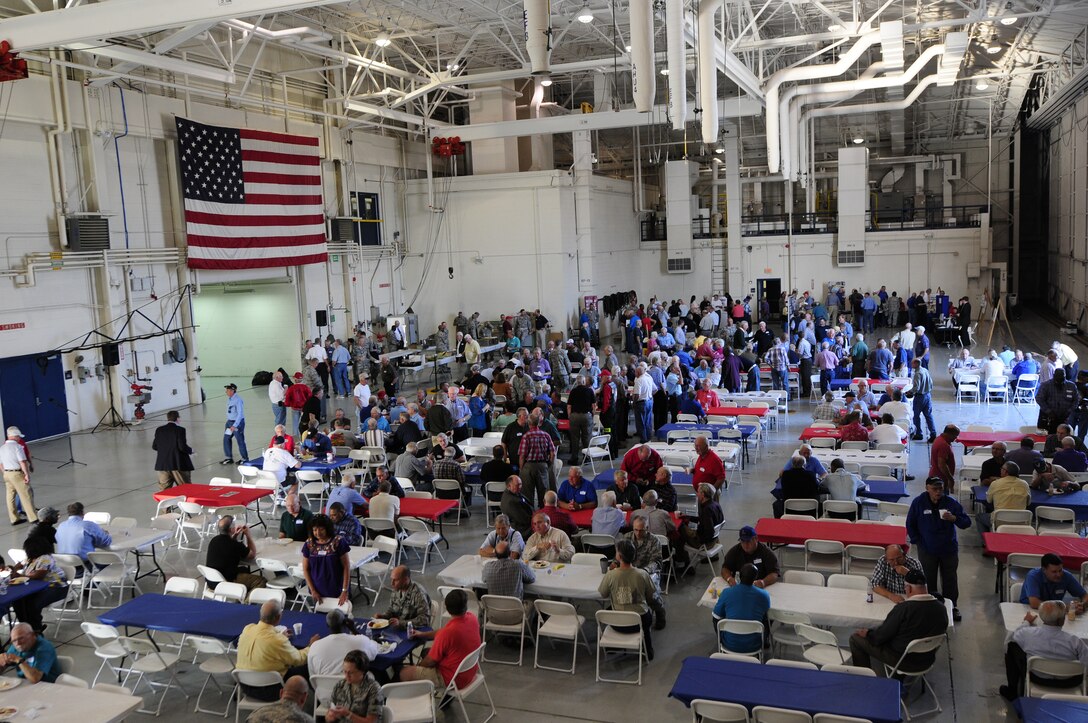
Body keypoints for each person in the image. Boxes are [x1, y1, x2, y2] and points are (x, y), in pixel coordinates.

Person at [848, 570, 949, 674]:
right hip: (927, 659)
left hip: (903, 661)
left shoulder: (903, 609)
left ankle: (863, 678)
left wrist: (868, 634)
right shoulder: (942, 608)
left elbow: (880, 637)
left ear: (908, 588)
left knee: (856, 639)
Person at [906, 478, 971, 621]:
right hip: (927, 549)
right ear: (927, 488)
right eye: (934, 489)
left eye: (940, 488)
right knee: (928, 579)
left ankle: (951, 607)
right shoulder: (918, 502)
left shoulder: (950, 502)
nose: (938, 492)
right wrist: (918, 542)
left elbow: (967, 522)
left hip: (948, 549)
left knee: (950, 579)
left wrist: (954, 518)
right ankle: (930, 606)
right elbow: (910, 523)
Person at [1000, 600, 1088, 701]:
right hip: (1070, 681)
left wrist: (1027, 622)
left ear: (1042, 618)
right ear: (1062, 620)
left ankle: (1012, 690)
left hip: (1038, 678)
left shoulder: (1028, 634)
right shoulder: (1075, 641)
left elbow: (1015, 635)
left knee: (1012, 645)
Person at [237, 601, 320, 701]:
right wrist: (311, 646)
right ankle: (318, 703)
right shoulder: (277, 641)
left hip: (245, 686)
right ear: (278, 616)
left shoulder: (248, 629)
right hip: (269, 690)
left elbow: (264, 633)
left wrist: (279, 634)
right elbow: (299, 659)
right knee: (307, 666)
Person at [399, 589, 480, 689]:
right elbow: (442, 632)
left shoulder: (447, 633)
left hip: (453, 679)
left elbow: (430, 661)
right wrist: (422, 634)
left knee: (404, 673)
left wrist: (417, 668)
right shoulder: (472, 618)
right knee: (426, 652)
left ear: (446, 608)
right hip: (469, 671)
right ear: (465, 606)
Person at [599, 539, 657, 659]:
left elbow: (603, 594)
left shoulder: (611, 575)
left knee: (609, 610)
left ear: (619, 556)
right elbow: (651, 594)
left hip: (618, 622)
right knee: (648, 616)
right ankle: (648, 650)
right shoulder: (642, 574)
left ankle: (612, 646)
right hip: (639, 621)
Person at [11, 535, 67, 633]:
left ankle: (36, 629)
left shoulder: (45, 558)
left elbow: (38, 575)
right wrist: (13, 570)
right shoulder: (30, 558)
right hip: (37, 587)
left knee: (33, 604)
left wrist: (19, 575)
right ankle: (26, 628)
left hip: (56, 587)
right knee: (18, 601)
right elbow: (19, 565)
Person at [712, 563, 770, 655]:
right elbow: (765, 615)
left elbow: (716, 616)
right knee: (767, 619)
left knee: (718, 618)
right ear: (755, 578)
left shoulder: (727, 592)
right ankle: (765, 641)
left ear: (739, 576)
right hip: (754, 645)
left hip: (729, 644)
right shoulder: (764, 595)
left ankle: (720, 641)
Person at [307, 610, 380, 678]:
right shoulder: (361, 641)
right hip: (357, 688)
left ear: (327, 625)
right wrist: (354, 630)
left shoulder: (314, 646)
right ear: (345, 623)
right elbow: (374, 652)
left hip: (326, 690)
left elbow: (313, 676)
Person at [302, 515, 351, 607]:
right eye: (315, 530)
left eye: (321, 529)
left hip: (337, 589)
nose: (318, 533)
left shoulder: (338, 542)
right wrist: (313, 590)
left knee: (339, 617)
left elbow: (346, 567)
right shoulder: (309, 544)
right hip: (317, 590)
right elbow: (306, 569)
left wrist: (344, 590)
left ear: (327, 529)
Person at [207, 515, 266, 591]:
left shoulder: (214, 540)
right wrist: (248, 535)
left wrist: (234, 536)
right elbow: (252, 554)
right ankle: (245, 602)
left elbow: (228, 547)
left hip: (211, 580)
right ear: (231, 529)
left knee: (244, 570)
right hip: (225, 581)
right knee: (261, 581)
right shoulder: (234, 544)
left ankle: (240, 597)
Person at [326, 650, 385, 723]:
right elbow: (328, 716)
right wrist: (330, 716)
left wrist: (348, 714)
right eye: (344, 671)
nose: (346, 676)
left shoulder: (373, 689)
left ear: (363, 671)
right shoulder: (340, 686)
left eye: (351, 672)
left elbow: (372, 721)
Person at [1020, 553, 1088, 608]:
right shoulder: (1033, 576)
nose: (1058, 574)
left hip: (1054, 612)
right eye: (1054, 572)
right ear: (1044, 570)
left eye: (1060, 570)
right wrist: (1064, 607)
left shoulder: (1066, 576)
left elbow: (1085, 595)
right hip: (1030, 610)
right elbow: (1034, 603)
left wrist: (1082, 605)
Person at [977, 461, 1030, 533]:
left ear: (1005, 472)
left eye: (1002, 468)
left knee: (979, 517)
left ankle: (986, 542)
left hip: (999, 521)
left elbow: (989, 500)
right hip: (1021, 521)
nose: (1000, 470)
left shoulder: (996, 483)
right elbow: (1028, 503)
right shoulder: (1025, 484)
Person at [519, 411, 557, 509]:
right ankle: (544, 512)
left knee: (527, 493)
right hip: (542, 465)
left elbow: (522, 455)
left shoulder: (526, 436)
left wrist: (522, 468)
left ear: (529, 423)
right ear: (538, 423)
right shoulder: (546, 435)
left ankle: (530, 513)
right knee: (543, 492)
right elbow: (553, 452)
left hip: (529, 466)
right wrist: (549, 463)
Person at [482, 540, 536, 608]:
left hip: (495, 612)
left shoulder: (488, 566)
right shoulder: (518, 564)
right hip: (516, 612)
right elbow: (532, 579)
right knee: (534, 599)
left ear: (495, 554)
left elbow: (484, 579)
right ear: (510, 553)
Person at [2, 426, 36, 526]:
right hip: (17, 473)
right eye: (18, 437)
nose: (19, 439)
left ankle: (14, 519)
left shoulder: (2, 448)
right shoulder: (18, 447)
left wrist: (5, 472)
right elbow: (22, 461)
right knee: (26, 494)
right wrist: (26, 474)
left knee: (10, 497)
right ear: (15, 436)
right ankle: (33, 518)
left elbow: (1, 464)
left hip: (6, 474)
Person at [152, 410, 194, 491]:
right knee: (185, 488)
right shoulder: (180, 430)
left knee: (164, 491)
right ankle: (183, 504)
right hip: (177, 464)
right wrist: (191, 450)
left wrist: (165, 449)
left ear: (168, 418)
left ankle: (166, 504)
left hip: (162, 465)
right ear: (177, 418)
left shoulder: (159, 430)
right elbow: (182, 447)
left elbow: (154, 446)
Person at [679, 483, 724, 552]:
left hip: (703, 543)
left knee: (679, 527)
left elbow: (709, 531)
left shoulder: (707, 510)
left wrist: (699, 539)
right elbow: (704, 520)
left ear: (703, 494)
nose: (697, 494)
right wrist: (687, 517)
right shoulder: (716, 504)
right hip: (715, 539)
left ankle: (682, 557)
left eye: (698, 492)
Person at [1037, 368, 1080, 434]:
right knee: (1049, 437)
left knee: (1064, 437)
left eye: (1062, 377)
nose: (1059, 379)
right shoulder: (1046, 385)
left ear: (1065, 376)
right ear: (1054, 376)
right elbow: (1039, 399)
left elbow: (1076, 400)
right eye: (1058, 377)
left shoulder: (1071, 386)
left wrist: (1069, 411)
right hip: (1049, 417)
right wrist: (1048, 411)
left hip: (1065, 417)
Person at [221, 383, 249, 465]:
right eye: (226, 390)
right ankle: (228, 458)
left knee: (240, 440)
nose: (226, 391)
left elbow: (240, 414)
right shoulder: (230, 399)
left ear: (233, 390)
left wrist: (235, 425)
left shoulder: (238, 400)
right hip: (229, 422)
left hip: (237, 423)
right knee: (226, 439)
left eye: (228, 390)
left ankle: (245, 458)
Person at [909, 358, 936, 442]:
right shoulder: (925, 370)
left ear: (916, 364)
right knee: (928, 415)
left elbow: (916, 387)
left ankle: (919, 434)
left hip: (920, 397)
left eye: (912, 363)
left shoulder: (917, 374)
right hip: (927, 395)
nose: (911, 364)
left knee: (916, 416)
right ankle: (933, 433)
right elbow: (931, 383)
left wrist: (909, 392)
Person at [499, 475, 534, 540]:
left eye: (521, 484)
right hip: (522, 529)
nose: (520, 487)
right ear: (509, 486)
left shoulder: (512, 492)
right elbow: (524, 520)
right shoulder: (511, 502)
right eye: (517, 485)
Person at [928, 424, 960, 494]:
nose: (956, 438)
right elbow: (942, 465)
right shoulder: (944, 445)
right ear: (950, 434)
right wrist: (951, 479)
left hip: (936, 476)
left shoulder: (938, 439)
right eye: (955, 435)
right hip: (941, 479)